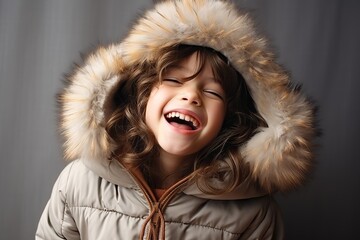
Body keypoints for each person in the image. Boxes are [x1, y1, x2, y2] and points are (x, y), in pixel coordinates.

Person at [36, 0, 317, 239]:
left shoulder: (255, 213)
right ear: (142, 94)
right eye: (172, 79)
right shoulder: (80, 181)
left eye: (212, 92)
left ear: (231, 117)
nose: (191, 96)